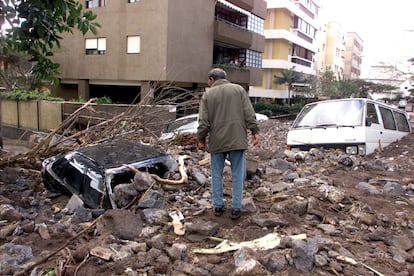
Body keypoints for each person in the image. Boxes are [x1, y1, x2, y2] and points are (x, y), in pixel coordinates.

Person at [197, 68, 260, 220]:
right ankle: (236, 208)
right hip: (237, 139)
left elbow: (203, 121)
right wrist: (255, 131)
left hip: (217, 141)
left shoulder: (208, 95)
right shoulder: (239, 90)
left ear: (211, 79)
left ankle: (218, 206)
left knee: (216, 174)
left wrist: (201, 139)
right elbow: (249, 112)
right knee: (238, 173)